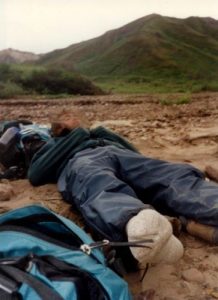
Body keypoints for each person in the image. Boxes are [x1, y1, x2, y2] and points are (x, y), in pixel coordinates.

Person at [1, 112, 218, 269]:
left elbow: (135, 153)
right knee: (97, 182)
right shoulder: (53, 144)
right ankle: (136, 225)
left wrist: (102, 133)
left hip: (117, 154)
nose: (74, 117)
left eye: (75, 115)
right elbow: (36, 174)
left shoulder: (97, 135)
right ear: (58, 127)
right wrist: (78, 135)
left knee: (170, 174)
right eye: (67, 116)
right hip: (80, 161)